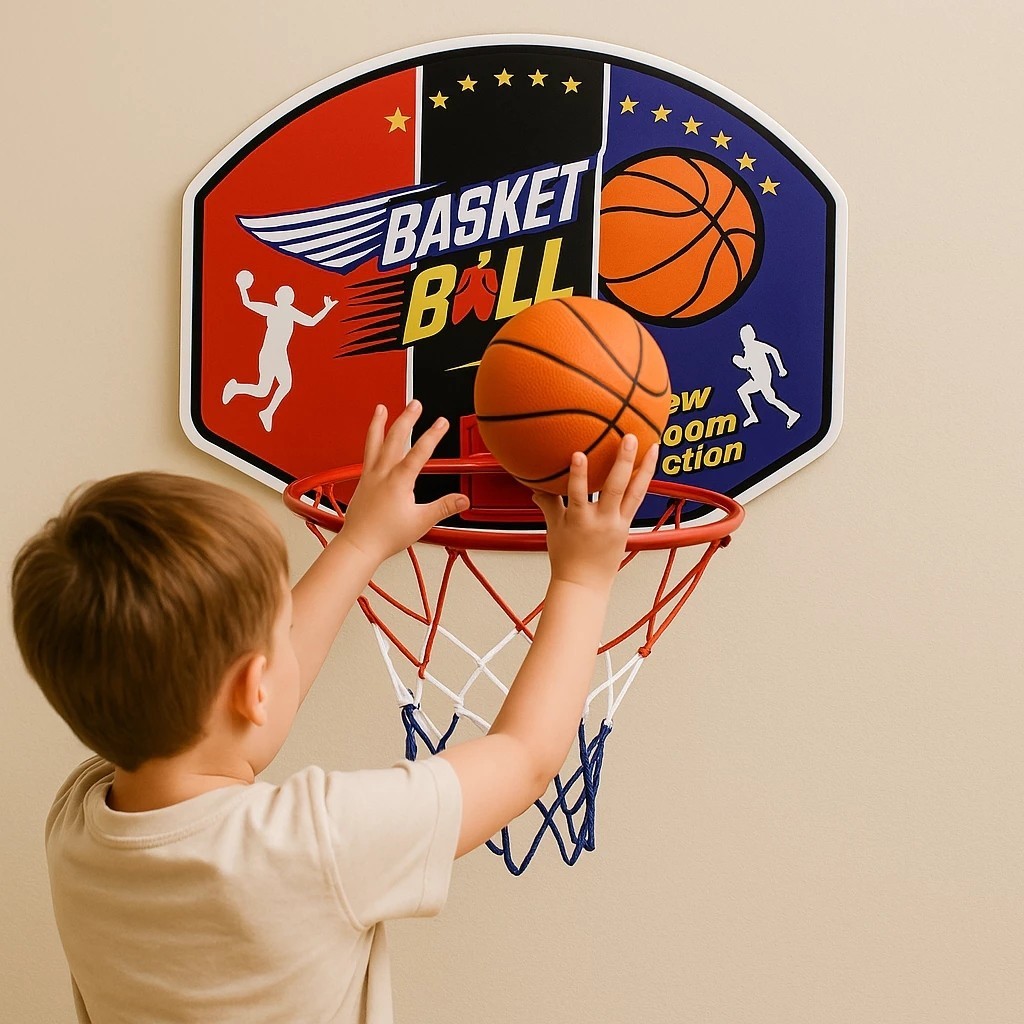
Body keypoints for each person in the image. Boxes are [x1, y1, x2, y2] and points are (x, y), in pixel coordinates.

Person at [11, 400, 657, 1024]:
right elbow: (524, 758)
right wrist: (582, 580)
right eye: (284, 623)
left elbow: (236, 696)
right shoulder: (312, 845)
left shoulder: (76, 824)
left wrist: (360, 543)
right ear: (253, 688)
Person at [222, 271, 338, 432]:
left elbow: (311, 322)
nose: (285, 297)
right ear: (278, 297)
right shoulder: (272, 310)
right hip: (269, 353)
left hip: (280, 354)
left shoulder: (291, 312)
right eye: (282, 294)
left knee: (279, 386)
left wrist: (327, 308)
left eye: (287, 295)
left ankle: (266, 411)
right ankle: (238, 390)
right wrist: (242, 287)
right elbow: (247, 303)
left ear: (290, 299)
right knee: (264, 390)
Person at [732, 322, 801, 428]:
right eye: (742, 337)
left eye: (745, 337)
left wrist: (781, 368)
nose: (743, 339)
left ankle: (792, 414)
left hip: (762, 378)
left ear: (751, 336)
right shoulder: (748, 349)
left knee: (770, 399)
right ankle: (753, 416)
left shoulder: (755, 345)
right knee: (744, 392)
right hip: (756, 379)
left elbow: (773, 351)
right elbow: (747, 365)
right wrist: (739, 361)